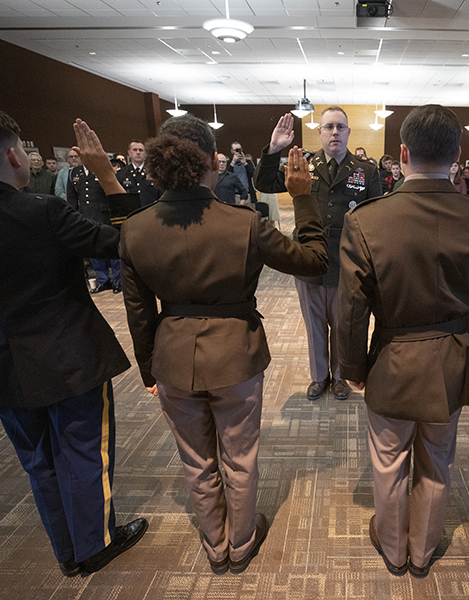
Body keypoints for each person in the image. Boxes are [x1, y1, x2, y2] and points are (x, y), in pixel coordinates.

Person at [0, 104, 148, 578]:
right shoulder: (44, 211)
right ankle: (95, 545)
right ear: (14, 155)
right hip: (71, 358)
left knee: (39, 461)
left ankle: (67, 551)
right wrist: (108, 178)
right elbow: (131, 242)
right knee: (82, 452)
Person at [117, 114, 328, 574]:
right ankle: (242, 541)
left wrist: (150, 371)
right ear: (213, 162)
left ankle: (215, 545)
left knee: (195, 460)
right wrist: (305, 201)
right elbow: (314, 261)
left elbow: (139, 314)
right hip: (237, 355)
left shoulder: (134, 228)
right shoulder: (244, 222)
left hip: (171, 358)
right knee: (240, 456)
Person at [337, 105, 469, 577]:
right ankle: (423, 552)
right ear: (457, 155)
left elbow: (350, 310)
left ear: (402, 153)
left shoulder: (366, 220)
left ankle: (392, 548)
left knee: (388, 462)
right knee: (437, 459)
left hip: (392, 358)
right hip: (452, 355)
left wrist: (353, 369)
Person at [255, 107, 382, 401]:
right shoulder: (303, 164)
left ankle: (339, 377)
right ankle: (319, 377)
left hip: (347, 263)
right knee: (314, 327)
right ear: (320, 132)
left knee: (342, 326)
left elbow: (376, 217)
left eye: (340, 127)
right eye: (329, 127)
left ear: (349, 132)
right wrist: (274, 149)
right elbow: (263, 184)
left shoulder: (366, 170)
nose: (334, 132)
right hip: (308, 261)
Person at [68, 150, 121, 293]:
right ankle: (103, 281)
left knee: (111, 248)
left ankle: (118, 281)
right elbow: (72, 198)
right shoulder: (74, 173)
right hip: (86, 215)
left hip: (105, 215)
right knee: (93, 250)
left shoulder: (100, 169)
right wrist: (74, 216)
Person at [116, 140, 162, 207]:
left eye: (141, 150)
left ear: (145, 153)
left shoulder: (154, 172)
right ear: (129, 152)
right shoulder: (122, 174)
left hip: (150, 212)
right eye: (135, 150)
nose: (138, 152)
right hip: (131, 213)